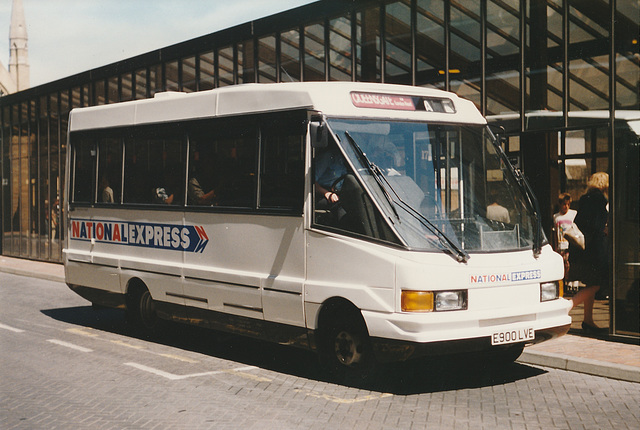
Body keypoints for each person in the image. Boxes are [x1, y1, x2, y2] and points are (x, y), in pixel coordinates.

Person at [569, 172, 609, 333]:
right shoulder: (599, 199)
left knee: (591, 283)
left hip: (583, 249)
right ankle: (568, 306)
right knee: (597, 284)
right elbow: (596, 226)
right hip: (594, 250)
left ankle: (588, 320)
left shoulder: (585, 198)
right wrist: (605, 230)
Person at [553, 193, 578, 292]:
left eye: (568, 204)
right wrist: (555, 246)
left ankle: (573, 284)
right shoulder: (556, 217)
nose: (566, 207)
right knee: (563, 265)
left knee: (570, 263)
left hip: (570, 243)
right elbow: (555, 232)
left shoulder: (573, 214)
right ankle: (565, 284)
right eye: (564, 204)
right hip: (561, 244)